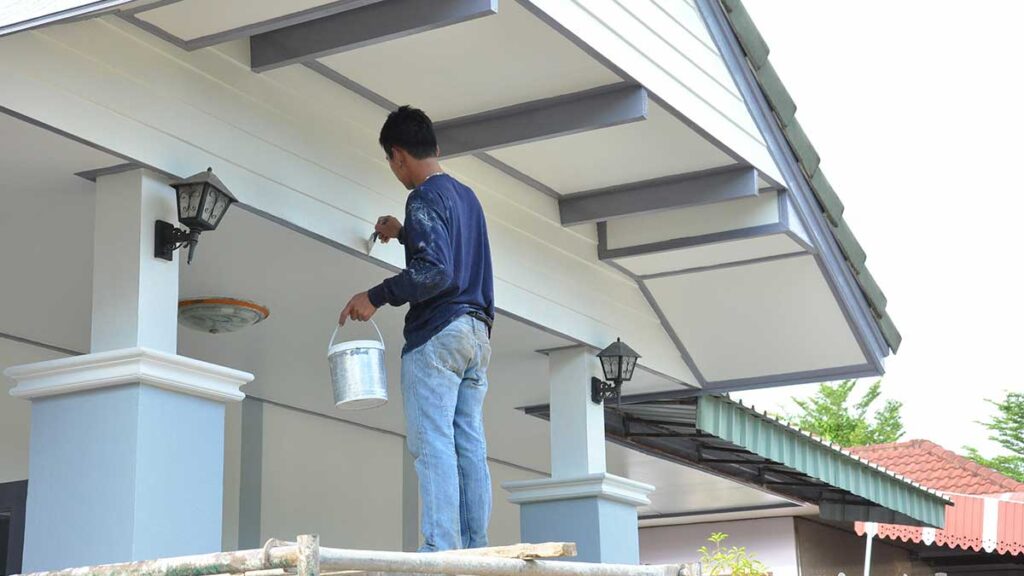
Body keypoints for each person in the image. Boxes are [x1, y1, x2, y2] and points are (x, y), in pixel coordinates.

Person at [339, 105, 495, 551]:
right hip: (476, 334)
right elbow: (451, 254)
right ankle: (473, 547)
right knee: (468, 443)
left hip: (438, 336)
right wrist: (406, 233)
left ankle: (441, 549)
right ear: (436, 148)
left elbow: (436, 271)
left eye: (392, 163)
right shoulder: (466, 197)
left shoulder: (423, 196)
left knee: (433, 443)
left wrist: (376, 295)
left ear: (398, 155)